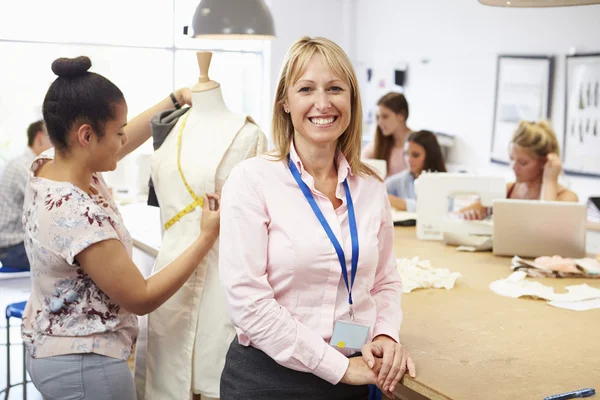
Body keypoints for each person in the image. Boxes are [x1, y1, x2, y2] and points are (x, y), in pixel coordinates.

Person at [218, 36, 415, 400]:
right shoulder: (252, 181)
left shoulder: (370, 187)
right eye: (306, 88)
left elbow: (384, 281)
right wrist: (338, 368)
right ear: (285, 102)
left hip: (354, 375)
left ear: (352, 100)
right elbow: (248, 301)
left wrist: (386, 334)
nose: (322, 103)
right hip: (271, 381)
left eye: (335, 88)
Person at [21, 56, 221, 400]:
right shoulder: (77, 214)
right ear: (86, 136)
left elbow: (121, 142)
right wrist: (206, 237)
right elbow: (141, 297)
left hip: (49, 346)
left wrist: (176, 98)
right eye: (118, 132)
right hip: (84, 367)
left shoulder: (53, 165)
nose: (124, 139)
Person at [460, 120, 578, 220]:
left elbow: (547, 228)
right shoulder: (508, 190)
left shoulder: (567, 198)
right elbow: (457, 215)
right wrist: (469, 216)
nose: (514, 167)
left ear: (545, 162)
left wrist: (550, 181)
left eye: (523, 162)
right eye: (512, 159)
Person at [0, 120, 52, 270]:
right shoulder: (25, 166)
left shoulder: (27, 164)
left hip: (15, 246)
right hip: (13, 248)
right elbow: (48, 203)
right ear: (40, 138)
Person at [386, 130, 447, 212]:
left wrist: (395, 201)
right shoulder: (398, 181)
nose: (409, 160)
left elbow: (432, 209)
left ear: (430, 156)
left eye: (415, 155)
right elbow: (379, 193)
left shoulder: (442, 182)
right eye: (406, 154)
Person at [362, 92, 412, 176]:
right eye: (378, 117)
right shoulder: (378, 145)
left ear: (402, 115)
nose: (379, 122)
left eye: (385, 116)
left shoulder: (419, 142)